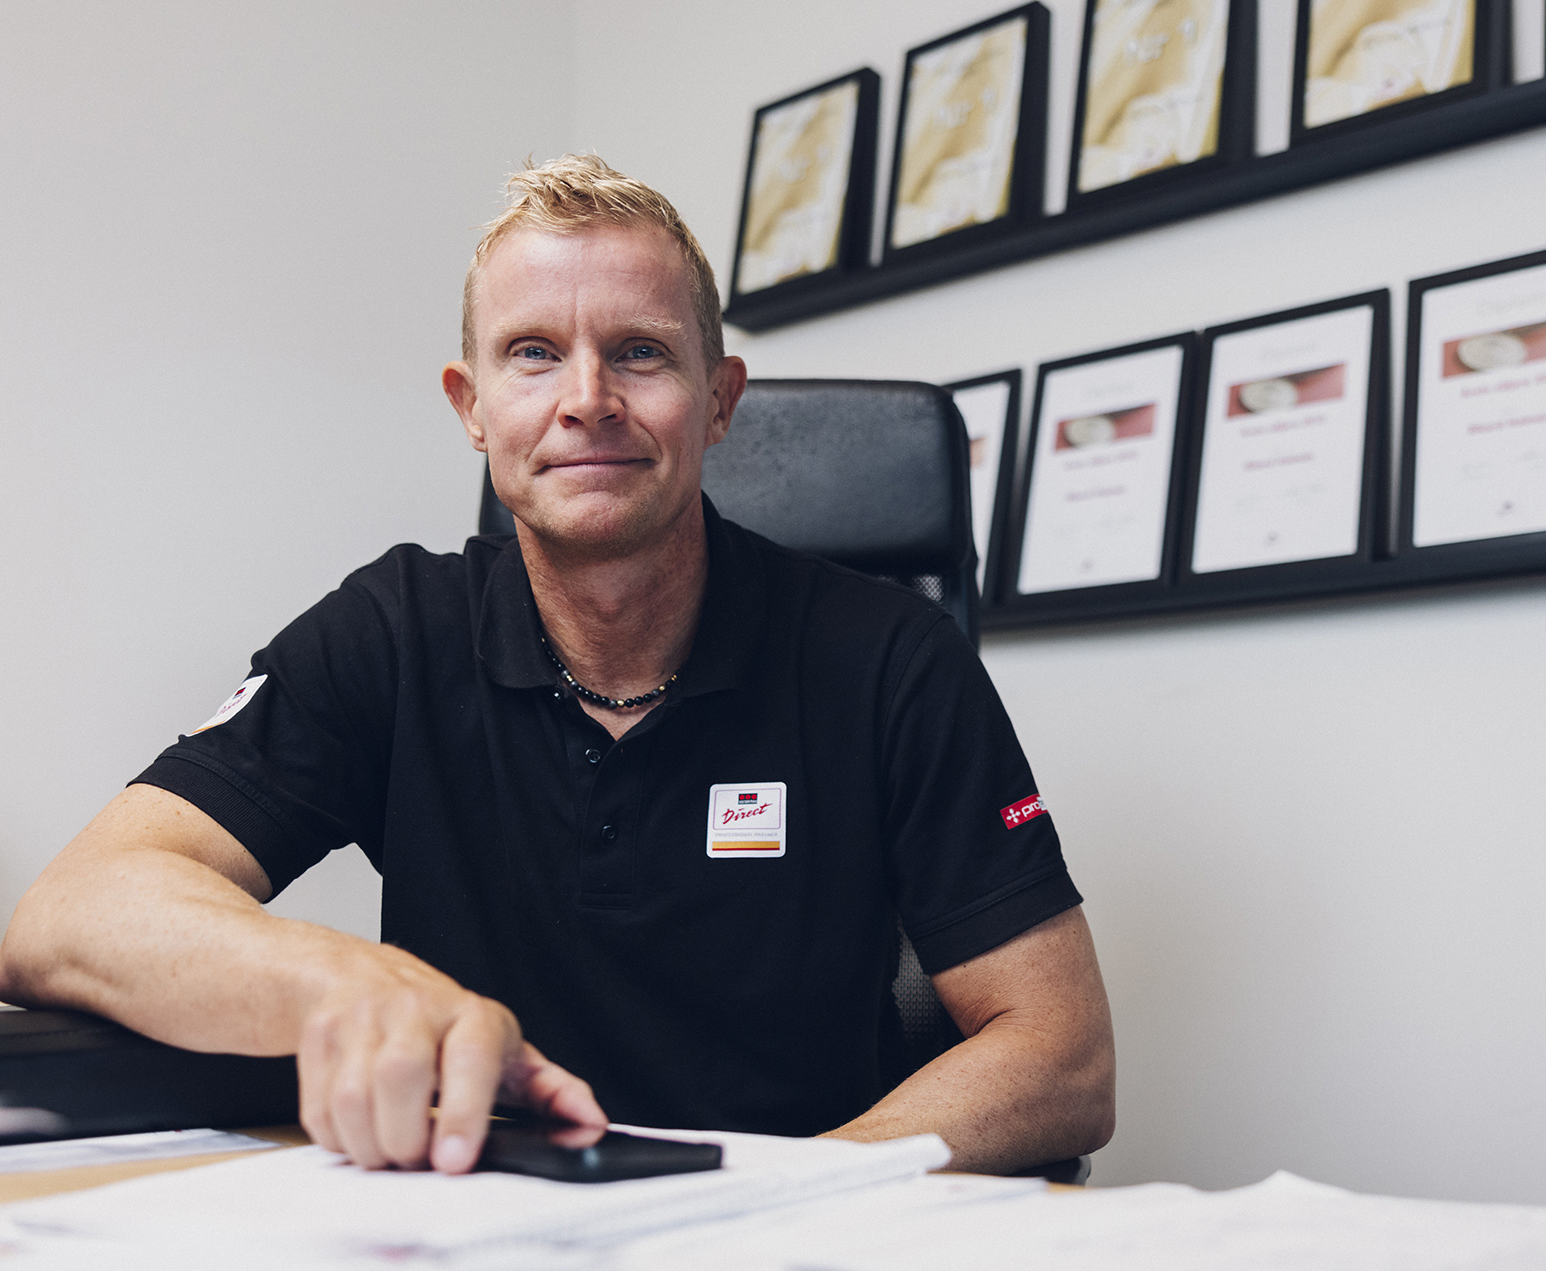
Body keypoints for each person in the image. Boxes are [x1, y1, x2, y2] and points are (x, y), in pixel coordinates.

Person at [0, 155, 1114, 1177]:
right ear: (472, 408)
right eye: (533, 353)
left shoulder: (889, 656)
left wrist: (776, 1202)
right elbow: (70, 913)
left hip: (793, 1221)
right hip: (478, 1223)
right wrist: (346, 983)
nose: (587, 397)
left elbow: (1062, 1055)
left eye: (640, 351)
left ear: (718, 400)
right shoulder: (394, 630)